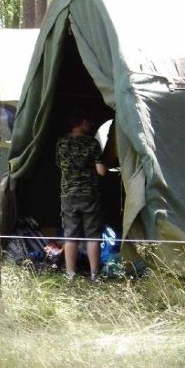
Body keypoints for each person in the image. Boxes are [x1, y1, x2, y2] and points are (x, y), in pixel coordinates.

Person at [55, 109, 107, 282]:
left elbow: (59, 165)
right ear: (80, 122)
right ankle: (94, 275)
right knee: (93, 236)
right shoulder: (91, 143)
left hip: (68, 195)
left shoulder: (61, 143)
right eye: (87, 121)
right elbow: (101, 171)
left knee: (70, 236)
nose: (90, 124)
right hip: (89, 195)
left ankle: (70, 275)